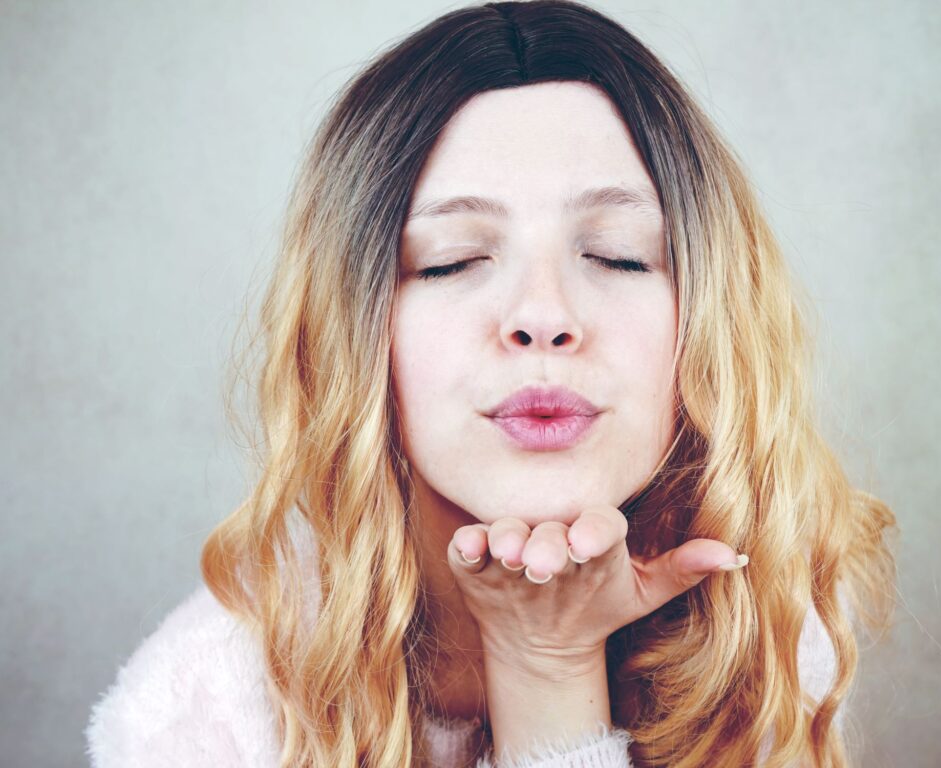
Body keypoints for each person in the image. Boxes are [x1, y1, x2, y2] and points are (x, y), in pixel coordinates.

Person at [84, 2, 899, 766]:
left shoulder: (768, 630)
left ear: (708, 315)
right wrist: (547, 660)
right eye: (451, 260)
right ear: (356, 330)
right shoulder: (199, 720)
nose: (542, 317)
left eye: (616, 253)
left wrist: (547, 669)